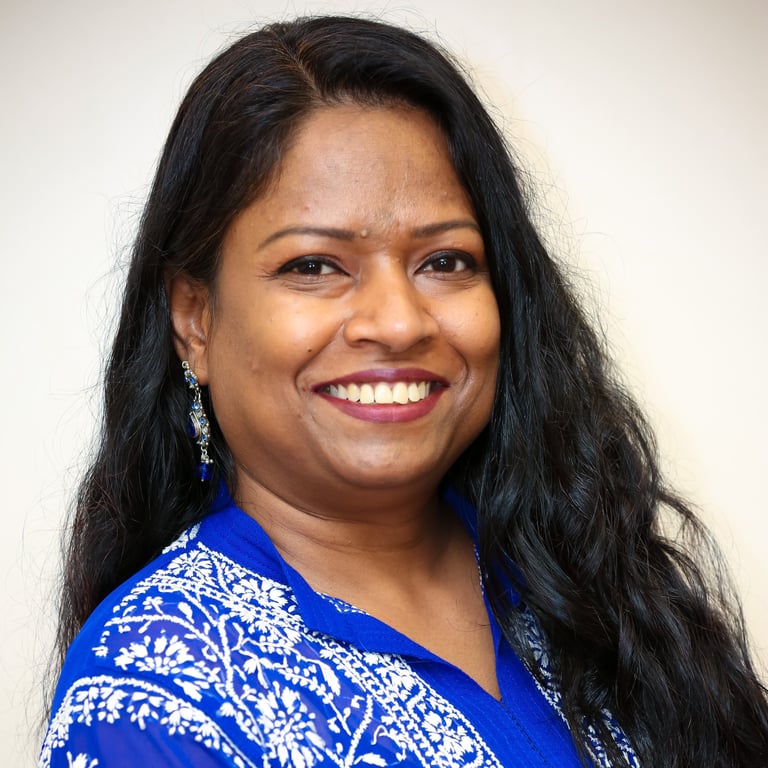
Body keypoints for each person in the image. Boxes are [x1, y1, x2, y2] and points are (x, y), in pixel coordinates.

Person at [39, 15, 768, 768]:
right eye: (314, 266)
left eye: (445, 261)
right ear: (195, 320)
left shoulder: (591, 582)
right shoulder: (152, 691)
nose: (398, 322)